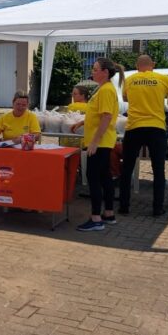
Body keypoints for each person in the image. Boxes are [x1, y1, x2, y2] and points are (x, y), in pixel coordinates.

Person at [118, 54, 168, 217]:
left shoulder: (129, 80)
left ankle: (124, 206)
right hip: (156, 128)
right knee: (159, 171)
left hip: (134, 127)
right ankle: (157, 209)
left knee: (127, 169)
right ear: (152, 64)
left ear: (137, 66)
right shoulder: (162, 79)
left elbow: (125, 97)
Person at [69, 58, 124, 231]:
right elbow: (98, 114)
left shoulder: (106, 90)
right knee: (105, 177)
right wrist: (82, 123)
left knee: (93, 178)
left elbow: (106, 117)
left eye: (95, 69)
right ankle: (108, 213)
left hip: (100, 142)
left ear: (105, 72)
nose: (92, 72)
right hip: (102, 141)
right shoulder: (104, 88)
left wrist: (94, 142)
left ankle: (96, 218)